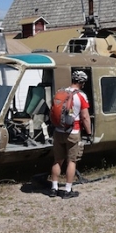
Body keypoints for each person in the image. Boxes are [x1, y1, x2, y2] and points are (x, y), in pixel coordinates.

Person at [49, 70, 92, 199]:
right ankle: (67, 190)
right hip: (73, 132)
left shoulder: (61, 92)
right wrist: (89, 133)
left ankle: (54, 188)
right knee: (72, 161)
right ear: (82, 83)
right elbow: (85, 117)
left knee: (57, 160)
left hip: (58, 131)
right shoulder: (81, 96)